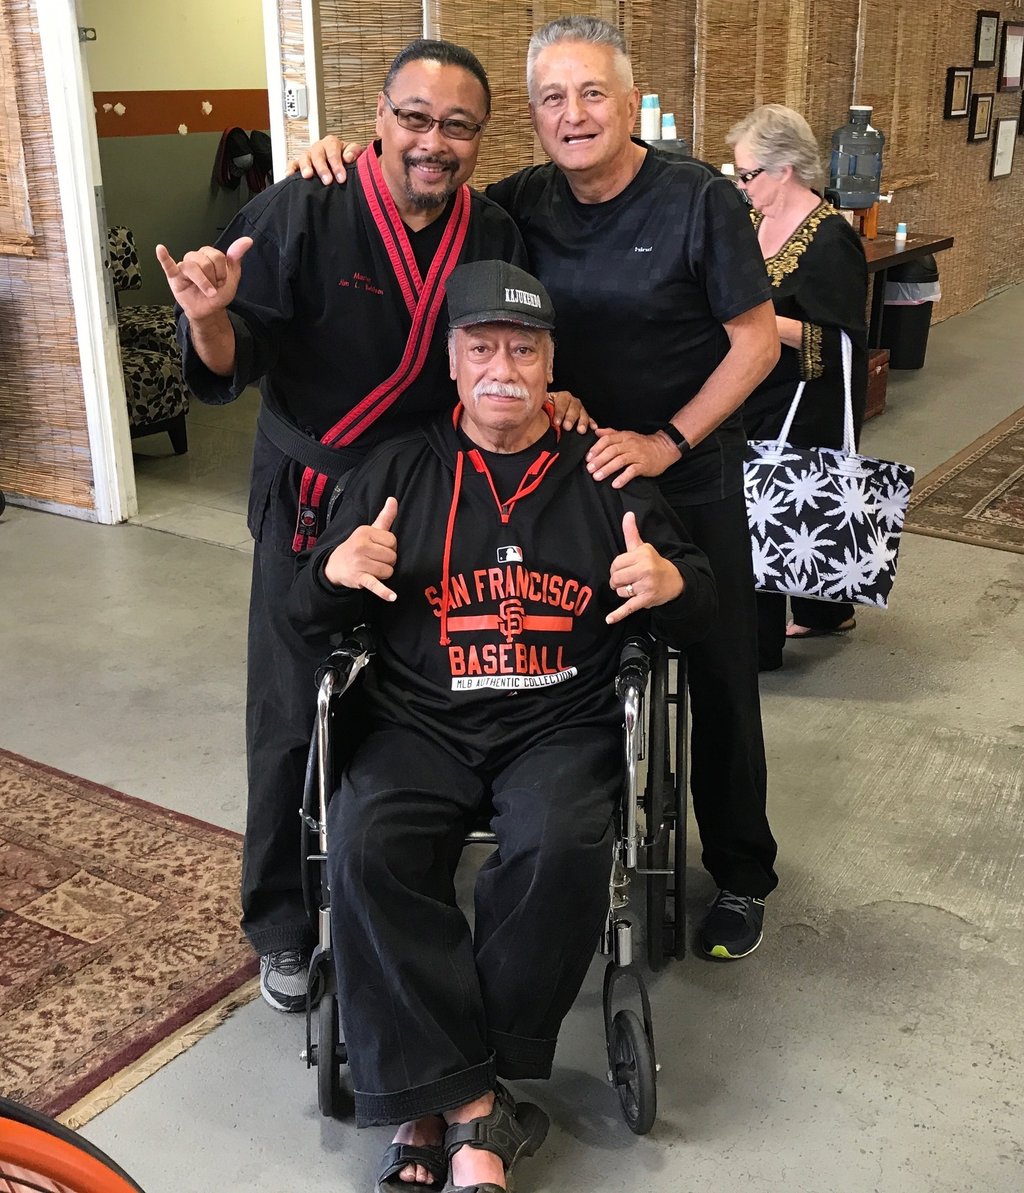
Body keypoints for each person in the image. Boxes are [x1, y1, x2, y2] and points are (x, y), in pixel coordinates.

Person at [293, 15, 782, 961]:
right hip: (561, 465)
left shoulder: (697, 200)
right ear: (532, 114)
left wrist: (665, 442)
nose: (574, 114)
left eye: (593, 92)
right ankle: (504, 813)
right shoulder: (522, 202)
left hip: (681, 461)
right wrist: (345, 156)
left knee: (717, 668)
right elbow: (421, 193)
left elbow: (756, 344)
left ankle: (740, 871)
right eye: (553, 97)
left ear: (630, 103)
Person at [154, 39, 573, 1014]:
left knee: (417, 693)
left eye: (457, 125)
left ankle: (398, 864)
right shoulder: (302, 205)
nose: (433, 141)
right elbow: (230, 357)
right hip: (312, 493)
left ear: (480, 138)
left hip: (430, 498)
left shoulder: (493, 228)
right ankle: (282, 921)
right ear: (378, 119)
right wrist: (208, 318)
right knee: (289, 708)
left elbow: (505, 356)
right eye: (414, 118)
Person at [287, 259, 717, 1193]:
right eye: (481, 348)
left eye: (523, 351)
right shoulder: (396, 468)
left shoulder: (603, 470)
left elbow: (703, 602)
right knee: (365, 843)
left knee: (562, 841)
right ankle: (477, 1109)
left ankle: (429, 1098)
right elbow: (304, 615)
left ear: (551, 365)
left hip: (559, 723)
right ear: (451, 360)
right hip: (418, 722)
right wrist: (332, 572)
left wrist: (671, 582)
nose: (502, 369)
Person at [725, 104, 868, 671]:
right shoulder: (755, 222)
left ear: (784, 169)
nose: (741, 186)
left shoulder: (832, 240)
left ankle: (758, 647)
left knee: (776, 511)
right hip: (756, 387)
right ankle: (825, 611)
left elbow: (841, 341)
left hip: (805, 399)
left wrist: (756, 319)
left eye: (747, 174)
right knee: (782, 513)